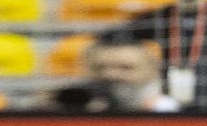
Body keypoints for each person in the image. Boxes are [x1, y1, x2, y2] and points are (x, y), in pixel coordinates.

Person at [47, 35, 181, 112]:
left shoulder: (171, 114)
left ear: (152, 70)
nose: (111, 75)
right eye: (100, 68)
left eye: (125, 68)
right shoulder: (69, 113)